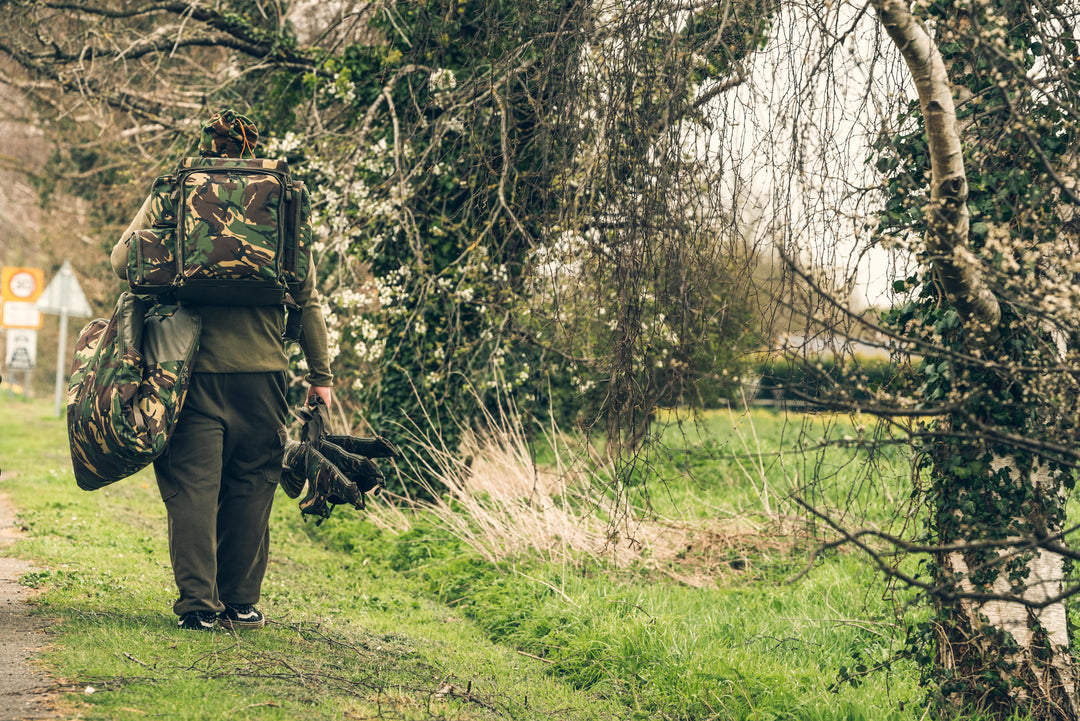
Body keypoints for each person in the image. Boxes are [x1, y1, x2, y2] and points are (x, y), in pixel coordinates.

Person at [110, 109, 333, 631]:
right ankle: (240, 602)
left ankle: (197, 609)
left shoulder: (176, 187)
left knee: (193, 485)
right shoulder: (281, 194)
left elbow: (123, 262)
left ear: (206, 144)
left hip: (187, 370)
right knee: (253, 482)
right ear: (251, 146)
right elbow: (306, 298)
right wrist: (320, 375)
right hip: (264, 373)